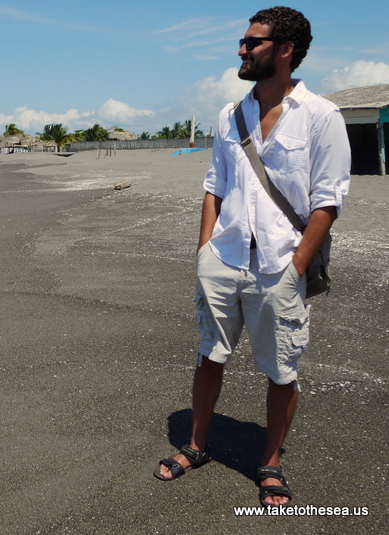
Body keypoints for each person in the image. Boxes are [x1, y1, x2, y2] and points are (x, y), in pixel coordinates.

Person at [153, 6, 350, 508]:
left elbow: (328, 201)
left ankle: (270, 464)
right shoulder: (229, 114)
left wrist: (297, 267)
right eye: (242, 41)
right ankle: (196, 445)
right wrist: (204, 251)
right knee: (209, 354)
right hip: (225, 258)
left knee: (281, 368)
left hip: (281, 264)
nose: (241, 50)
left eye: (252, 42)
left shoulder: (322, 116)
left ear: (285, 50)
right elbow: (214, 187)